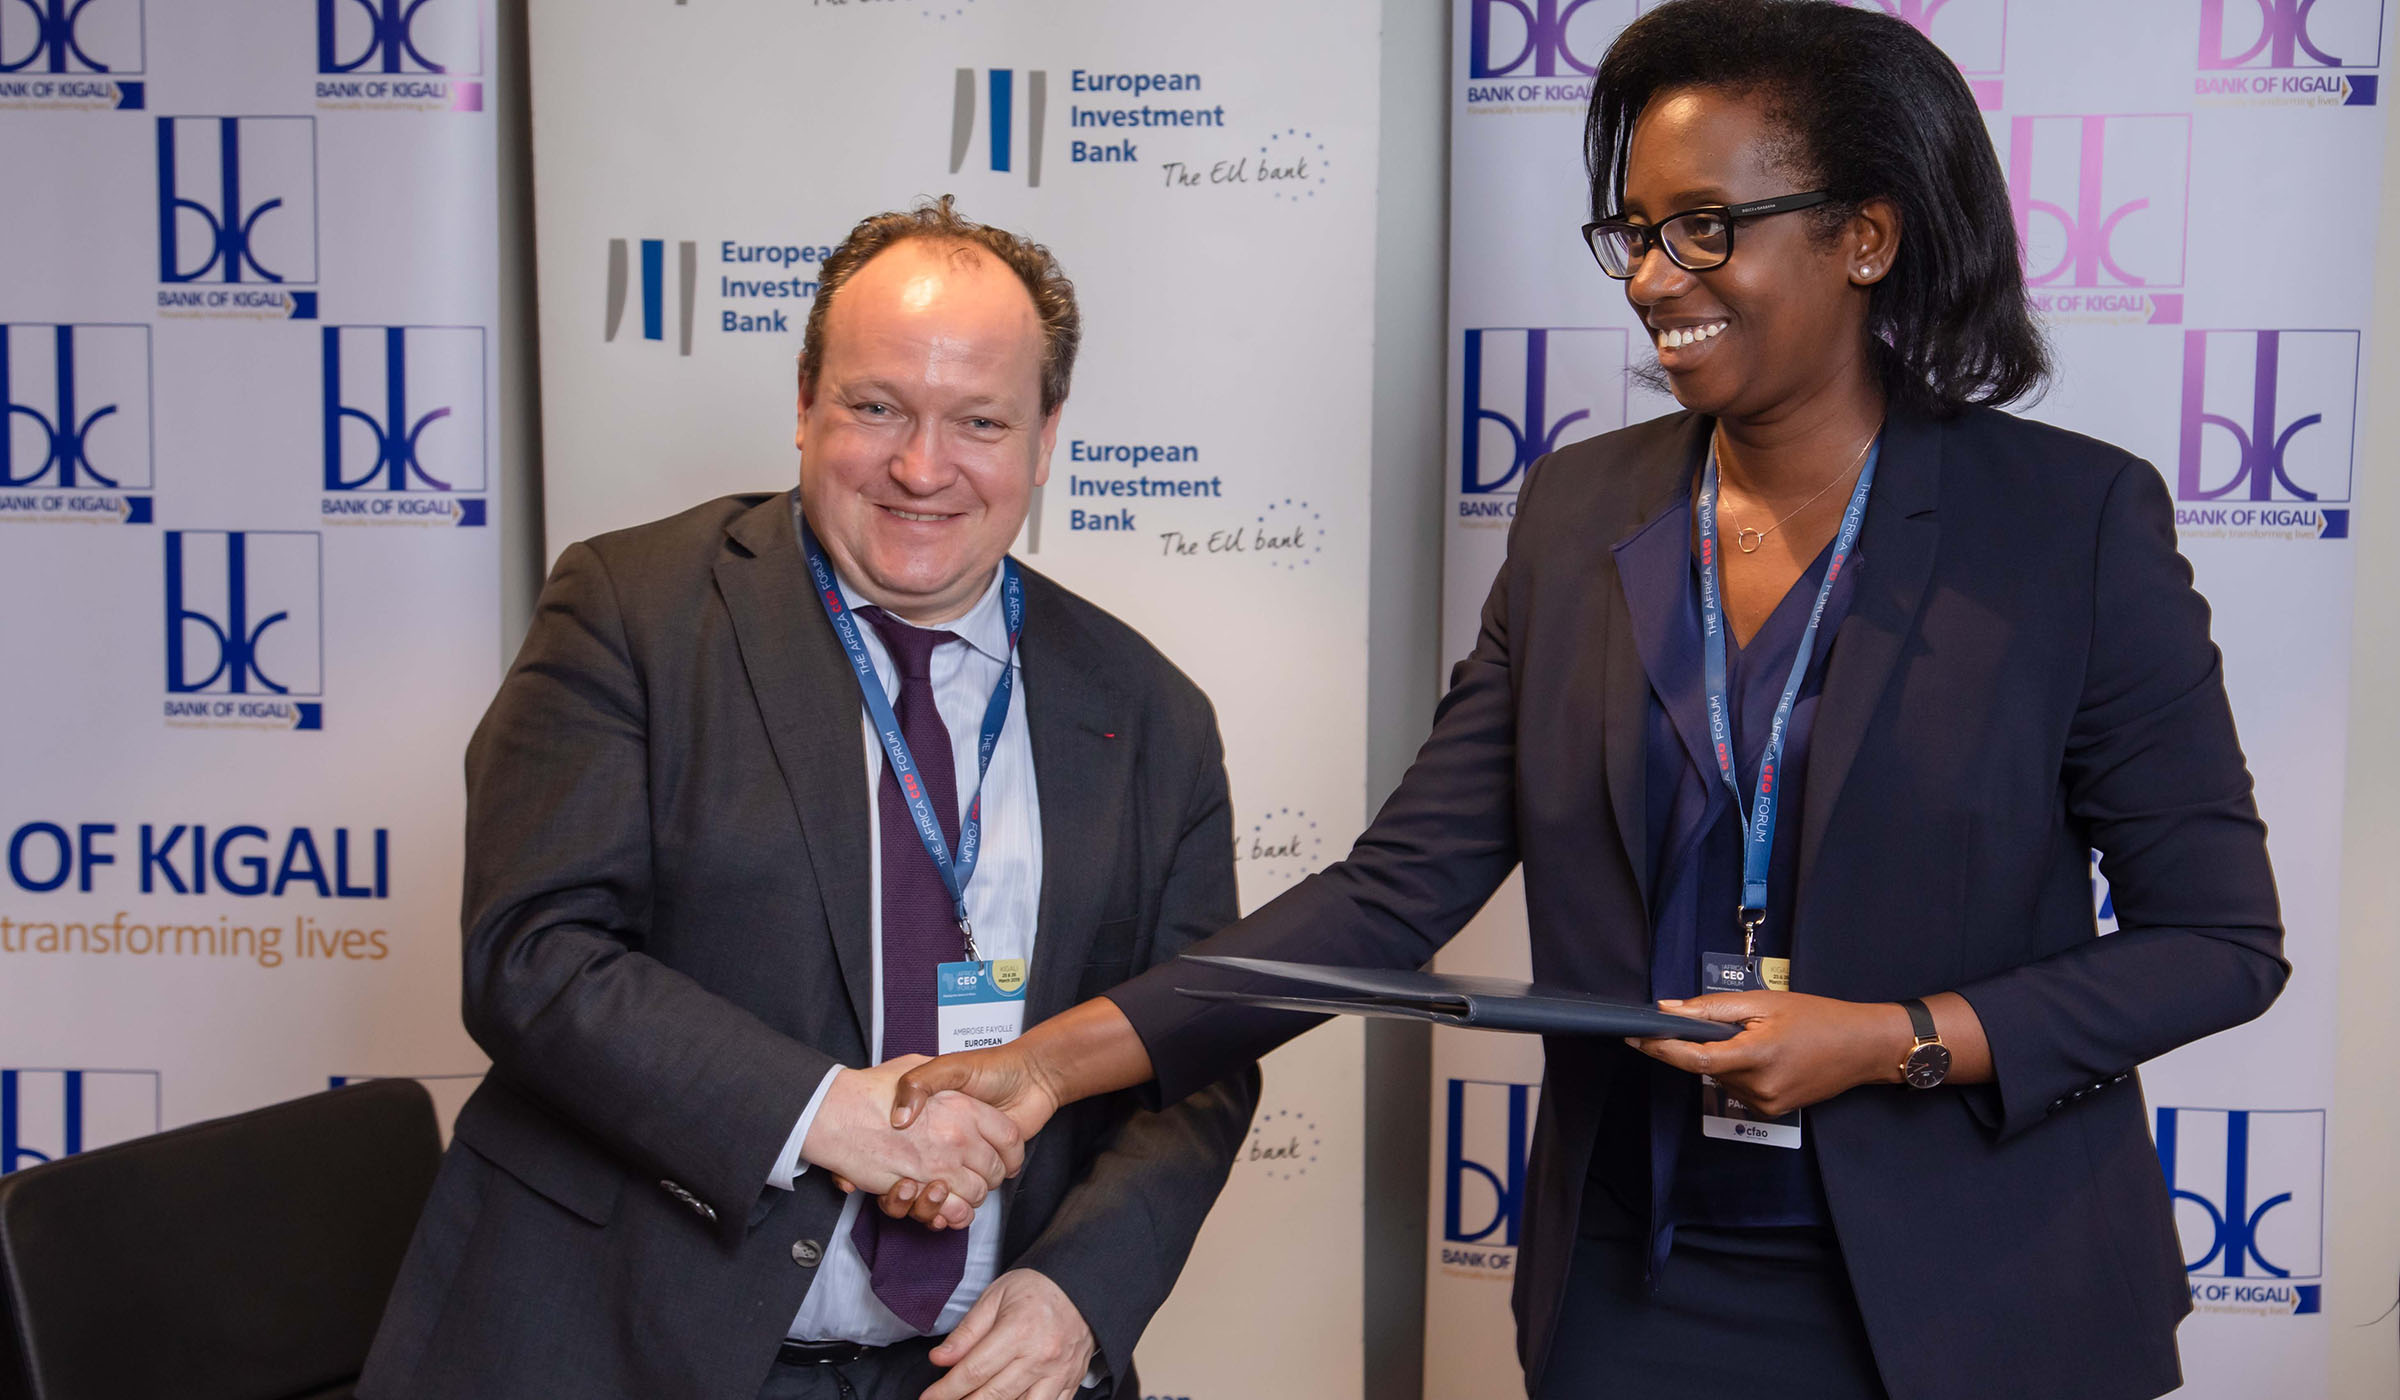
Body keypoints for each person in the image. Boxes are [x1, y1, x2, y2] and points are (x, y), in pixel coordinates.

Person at [878, 5, 2287, 1399]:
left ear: (1868, 235)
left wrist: (1892, 1039)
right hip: (1640, 1281)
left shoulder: (2065, 523)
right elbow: (1390, 897)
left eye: (1707, 226)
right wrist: (1050, 1066)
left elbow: (2217, 940)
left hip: (1985, 1293)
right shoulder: (1578, 513)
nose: (1654, 278)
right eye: (1636, 232)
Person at [358, 198, 1257, 1400]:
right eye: (876, 406)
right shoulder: (634, 611)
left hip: (972, 1373)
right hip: (624, 1348)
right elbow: (532, 950)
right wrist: (823, 1110)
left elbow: (1193, 1051)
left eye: (978, 421)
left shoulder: (1151, 711)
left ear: (1046, 439)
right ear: (802, 404)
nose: (921, 467)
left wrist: (1082, 1288)